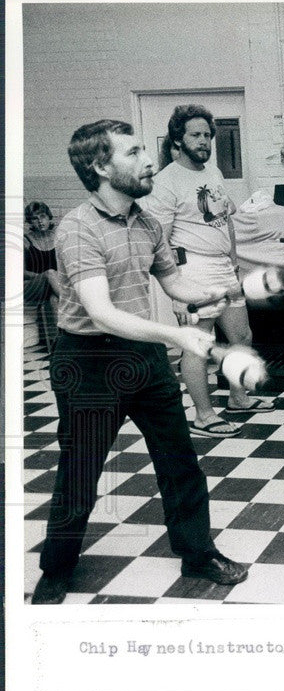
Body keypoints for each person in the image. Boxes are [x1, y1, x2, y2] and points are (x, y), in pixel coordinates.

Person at [31, 119, 249, 604]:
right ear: (100, 166)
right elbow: (103, 314)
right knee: (81, 468)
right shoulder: (77, 228)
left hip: (143, 353)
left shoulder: (148, 221)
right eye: (133, 153)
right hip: (87, 359)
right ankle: (57, 567)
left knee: (179, 459)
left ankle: (198, 553)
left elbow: (174, 284)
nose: (149, 160)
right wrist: (176, 333)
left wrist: (220, 290)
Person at [144, 104, 273, 438]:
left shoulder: (212, 173)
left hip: (223, 266)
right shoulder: (165, 182)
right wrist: (177, 285)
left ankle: (239, 398)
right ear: (178, 138)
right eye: (195, 135)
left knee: (242, 336)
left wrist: (233, 259)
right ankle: (203, 415)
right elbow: (159, 239)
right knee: (198, 343)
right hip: (193, 269)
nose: (203, 141)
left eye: (207, 135)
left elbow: (225, 219)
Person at [23, 201, 61, 352]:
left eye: (43, 216)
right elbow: (21, 272)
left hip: (55, 286)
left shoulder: (58, 237)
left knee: (54, 299)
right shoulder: (26, 240)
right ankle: (76, 303)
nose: (40, 221)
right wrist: (45, 276)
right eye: (34, 218)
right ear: (30, 221)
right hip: (33, 286)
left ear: (49, 217)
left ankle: (60, 343)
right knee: (51, 272)